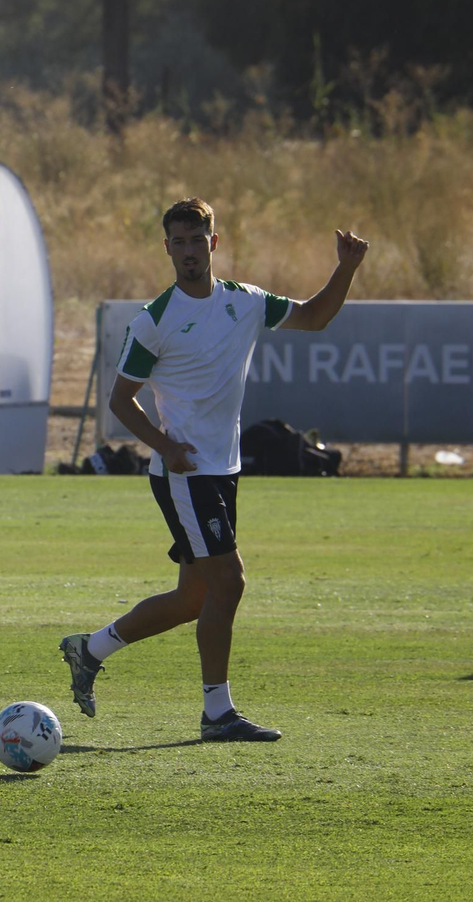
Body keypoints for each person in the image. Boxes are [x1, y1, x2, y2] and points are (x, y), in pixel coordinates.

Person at [60, 197, 368, 741]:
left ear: (213, 243)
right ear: (167, 248)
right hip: (184, 474)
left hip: (222, 470)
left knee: (193, 598)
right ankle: (217, 713)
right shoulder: (154, 321)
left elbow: (315, 317)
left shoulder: (245, 301)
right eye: (176, 242)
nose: (186, 251)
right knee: (230, 581)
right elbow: (121, 400)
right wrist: (165, 445)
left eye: (195, 240)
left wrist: (345, 268)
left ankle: (90, 648)